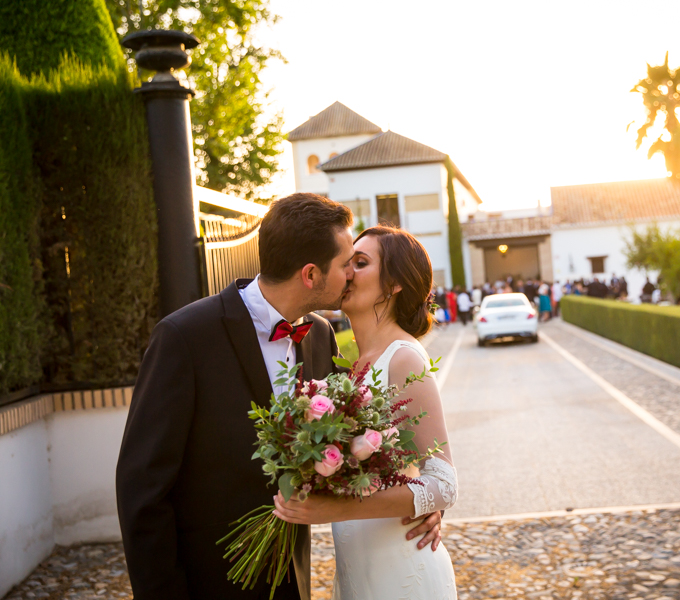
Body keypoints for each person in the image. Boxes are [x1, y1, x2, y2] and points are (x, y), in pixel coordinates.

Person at [115, 195, 443, 600]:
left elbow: (368, 436)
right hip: (208, 582)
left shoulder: (319, 336)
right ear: (310, 275)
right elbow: (141, 488)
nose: (350, 276)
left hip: (292, 579)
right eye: (346, 265)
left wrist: (420, 500)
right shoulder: (185, 338)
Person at [272, 226, 458, 598]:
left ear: (394, 285)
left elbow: (444, 482)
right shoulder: (354, 366)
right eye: (346, 262)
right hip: (359, 570)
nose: (347, 271)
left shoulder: (404, 358)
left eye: (361, 262)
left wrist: (333, 509)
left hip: (402, 569)